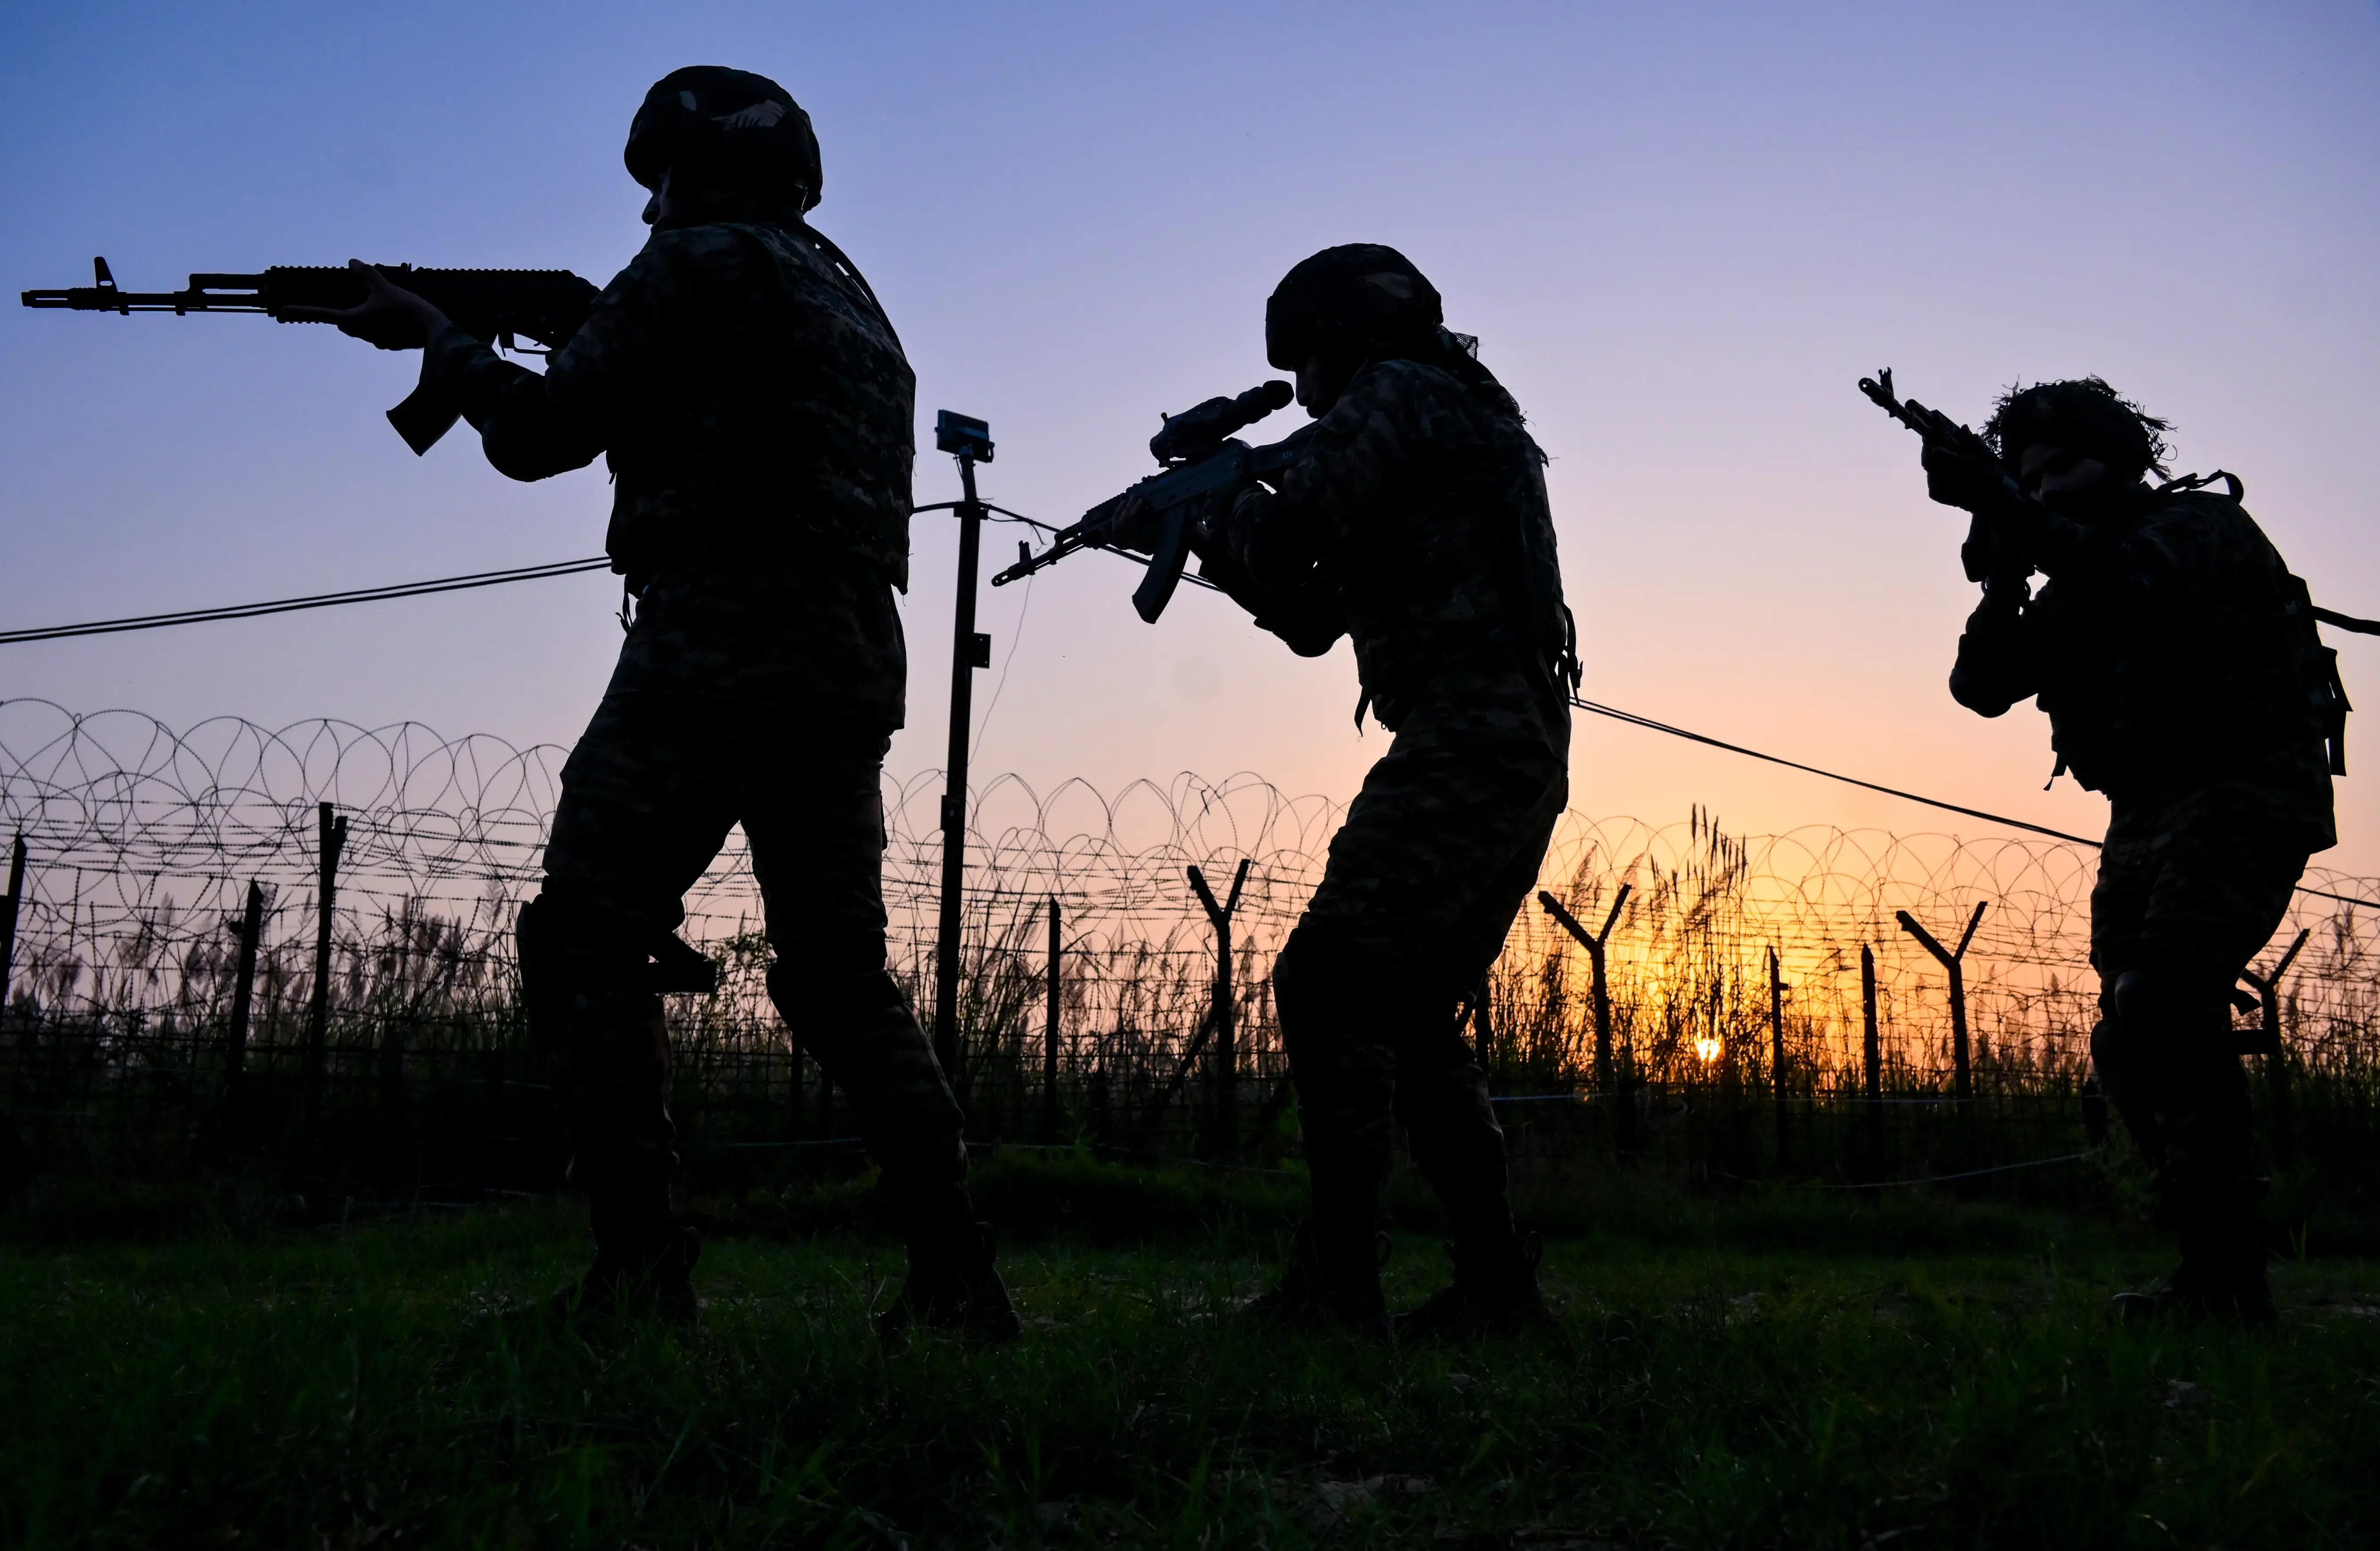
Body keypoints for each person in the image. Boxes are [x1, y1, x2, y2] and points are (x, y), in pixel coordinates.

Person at [298, 66, 1018, 1339]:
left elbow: (535, 437)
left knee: (587, 933)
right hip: (850, 650)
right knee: (839, 978)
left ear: (701, 173)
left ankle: (639, 1274)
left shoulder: (695, 264)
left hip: (720, 630)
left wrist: (438, 341)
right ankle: (956, 1274)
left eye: (662, 180)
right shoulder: (853, 303)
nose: (648, 209)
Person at [1190, 244, 1578, 1338]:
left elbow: (1286, 538)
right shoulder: (1454, 409)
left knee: (1329, 978)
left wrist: (1218, 506)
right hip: (1512, 735)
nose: (1306, 396)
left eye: (1306, 367)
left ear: (1341, 339)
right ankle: (1494, 1287)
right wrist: (1213, 538)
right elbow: (1314, 615)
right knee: (1406, 1010)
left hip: (1469, 725)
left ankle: (1337, 1283)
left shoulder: (1398, 390)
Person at [1923, 377, 2342, 1322]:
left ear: (2120, 461)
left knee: (2164, 995)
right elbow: (1981, 685)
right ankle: (2210, 1258)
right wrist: (2002, 572)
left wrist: (2007, 506)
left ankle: (2227, 1276)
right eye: (2031, 477)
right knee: (2127, 1031)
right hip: (2146, 810)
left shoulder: (2195, 528)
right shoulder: (2071, 577)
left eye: (2064, 467)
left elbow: (2129, 585)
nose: (2049, 489)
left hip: (2245, 786)